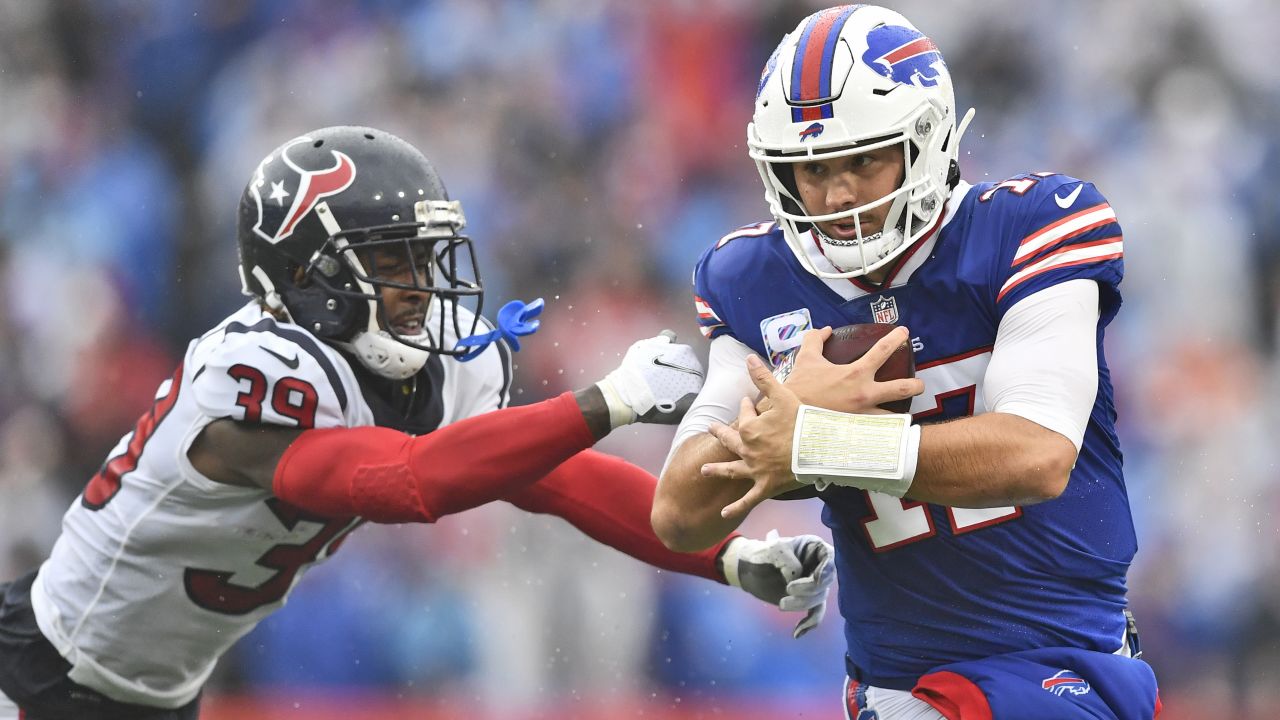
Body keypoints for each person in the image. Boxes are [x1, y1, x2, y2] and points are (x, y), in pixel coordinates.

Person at [0, 126, 835, 720]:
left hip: (155, 693)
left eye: (425, 257)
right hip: (38, 672)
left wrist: (726, 557)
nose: (423, 287)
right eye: (391, 261)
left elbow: (554, 482)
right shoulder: (251, 383)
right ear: (308, 277)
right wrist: (605, 403)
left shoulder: (428, 370)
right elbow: (404, 482)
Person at [651, 6, 1162, 719]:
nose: (837, 195)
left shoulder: (1027, 230)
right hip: (890, 690)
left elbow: (1038, 455)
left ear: (925, 139)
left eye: (863, 159)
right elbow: (677, 514)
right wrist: (786, 415)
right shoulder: (752, 279)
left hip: (1058, 674)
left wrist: (814, 439)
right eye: (811, 167)